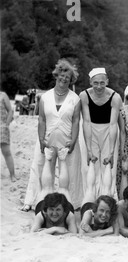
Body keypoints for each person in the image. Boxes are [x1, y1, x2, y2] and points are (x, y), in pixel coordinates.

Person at [22, 59, 84, 211]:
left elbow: (76, 122)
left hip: (67, 138)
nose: (63, 79)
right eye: (61, 76)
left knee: (71, 169)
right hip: (47, 137)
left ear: (71, 81)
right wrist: (41, 139)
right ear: (56, 76)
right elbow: (41, 119)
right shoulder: (45, 97)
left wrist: (73, 141)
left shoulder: (75, 99)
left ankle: (73, 202)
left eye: (67, 78)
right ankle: (32, 200)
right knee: (39, 166)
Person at [79, 67, 121, 200]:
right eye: (95, 83)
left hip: (109, 130)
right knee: (89, 164)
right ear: (90, 82)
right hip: (90, 130)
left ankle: (107, 196)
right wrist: (89, 149)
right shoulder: (84, 95)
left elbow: (114, 124)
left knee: (108, 164)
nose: (99, 86)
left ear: (107, 82)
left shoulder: (115, 97)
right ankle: (89, 197)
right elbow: (86, 121)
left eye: (102, 83)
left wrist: (112, 150)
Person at [0, 91, 17, 182]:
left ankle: (12, 175)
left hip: (2, 127)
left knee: (6, 152)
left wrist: (6, 124)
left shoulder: (3, 95)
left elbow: (10, 111)